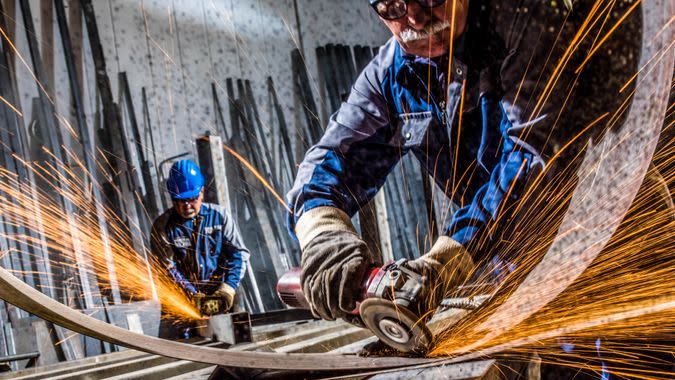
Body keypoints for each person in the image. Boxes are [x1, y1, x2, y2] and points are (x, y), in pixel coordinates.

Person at [287, 0, 638, 339]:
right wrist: (323, 234)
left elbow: (532, 157)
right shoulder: (389, 77)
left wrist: (449, 257)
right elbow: (328, 162)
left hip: (607, 237)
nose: (417, 19)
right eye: (394, 8)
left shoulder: (522, 20)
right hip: (508, 260)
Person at [151, 159, 250, 337]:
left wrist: (228, 287)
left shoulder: (220, 217)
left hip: (221, 295)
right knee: (176, 354)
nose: (187, 205)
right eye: (180, 200)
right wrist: (191, 294)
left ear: (202, 192)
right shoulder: (162, 226)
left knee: (238, 342)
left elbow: (238, 255)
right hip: (181, 299)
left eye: (192, 199)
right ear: (172, 197)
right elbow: (167, 268)